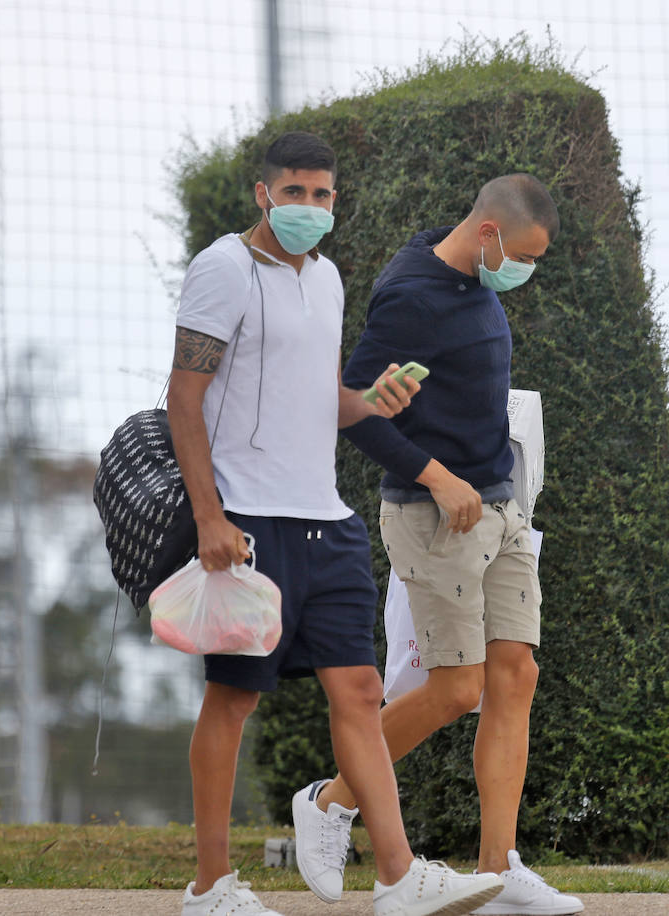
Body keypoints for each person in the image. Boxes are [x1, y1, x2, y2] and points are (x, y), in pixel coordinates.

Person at [169, 131, 504, 916]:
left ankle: (397, 877)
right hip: (248, 521)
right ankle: (210, 890)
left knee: (357, 690)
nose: (310, 208)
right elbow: (185, 399)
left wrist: (372, 402)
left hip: (328, 519)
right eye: (295, 193)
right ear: (264, 195)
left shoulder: (328, 278)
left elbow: (323, 401)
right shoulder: (222, 270)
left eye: (323, 195)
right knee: (231, 700)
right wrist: (209, 517)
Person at [291, 174, 582, 916]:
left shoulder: (472, 277)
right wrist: (437, 477)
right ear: (487, 234)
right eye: (521, 255)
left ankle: (498, 868)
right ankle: (328, 804)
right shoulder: (411, 293)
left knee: (515, 677)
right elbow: (350, 407)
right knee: (456, 690)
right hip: (435, 514)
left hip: (502, 510)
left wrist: (495, 492)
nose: (525, 271)